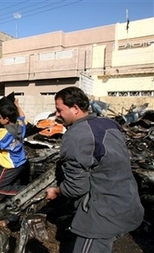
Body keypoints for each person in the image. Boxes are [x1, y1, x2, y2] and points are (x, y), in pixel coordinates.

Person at [45, 87, 144, 253]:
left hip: (103, 213)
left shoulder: (76, 135)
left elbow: (77, 187)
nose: (56, 114)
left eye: (59, 109)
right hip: (128, 202)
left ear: (75, 108)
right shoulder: (108, 123)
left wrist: (57, 190)